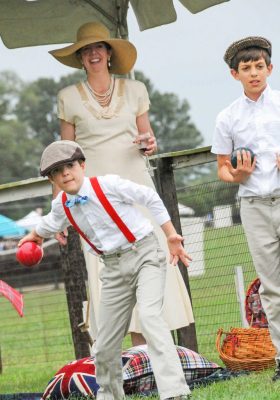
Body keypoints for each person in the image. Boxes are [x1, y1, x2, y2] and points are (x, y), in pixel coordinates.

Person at [49, 21, 194, 345]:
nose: (93, 53)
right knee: (108, 264)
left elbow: (148, 137)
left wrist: (149, 144)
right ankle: (136, 354)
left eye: (98, 47)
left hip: (134, 185)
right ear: (81, 59)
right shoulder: (68, 97)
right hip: (92, 193)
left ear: (109, 53)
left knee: (151, 255)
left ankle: (159, 347)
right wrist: (57, 207)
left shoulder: (136, 90)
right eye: (86, 50)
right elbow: (62, 156)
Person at [18, 140, 192, 400]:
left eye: (69, 166)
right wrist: (33, 236)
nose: (65, 173)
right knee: (105, 341)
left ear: (82, 165)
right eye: (57, 171)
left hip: (144, 254)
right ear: (52, 180)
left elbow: (149, 196)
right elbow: (49, 223)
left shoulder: (108, 184)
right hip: (111, 269)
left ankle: (175, 392)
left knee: (150, 318)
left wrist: (170, 235)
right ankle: (110, 395)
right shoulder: (62, 205)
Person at [212, 36, 280, 381]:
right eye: (246, 68)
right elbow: (223, 168)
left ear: (270, 68)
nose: (253, 73)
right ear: (234, 74)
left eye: (259, 67)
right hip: (253, 204)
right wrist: (238, 174)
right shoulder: (228, 117)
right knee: (271, 287)